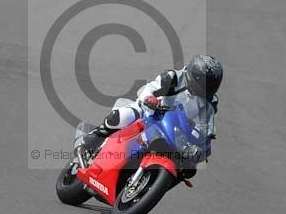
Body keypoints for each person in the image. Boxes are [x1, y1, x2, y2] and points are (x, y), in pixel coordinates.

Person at [82, 54, 223, 153]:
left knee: (188, 166)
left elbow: (207, 122)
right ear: (195, 77)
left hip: (177, 127)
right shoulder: (174, 77)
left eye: (213, 85)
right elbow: (151, 87)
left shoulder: (211, 100)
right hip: (154, 111)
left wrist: (207, 136)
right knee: (127, 115)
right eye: (206, 84)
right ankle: (95, 136)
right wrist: (150, 99)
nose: (208, 88)